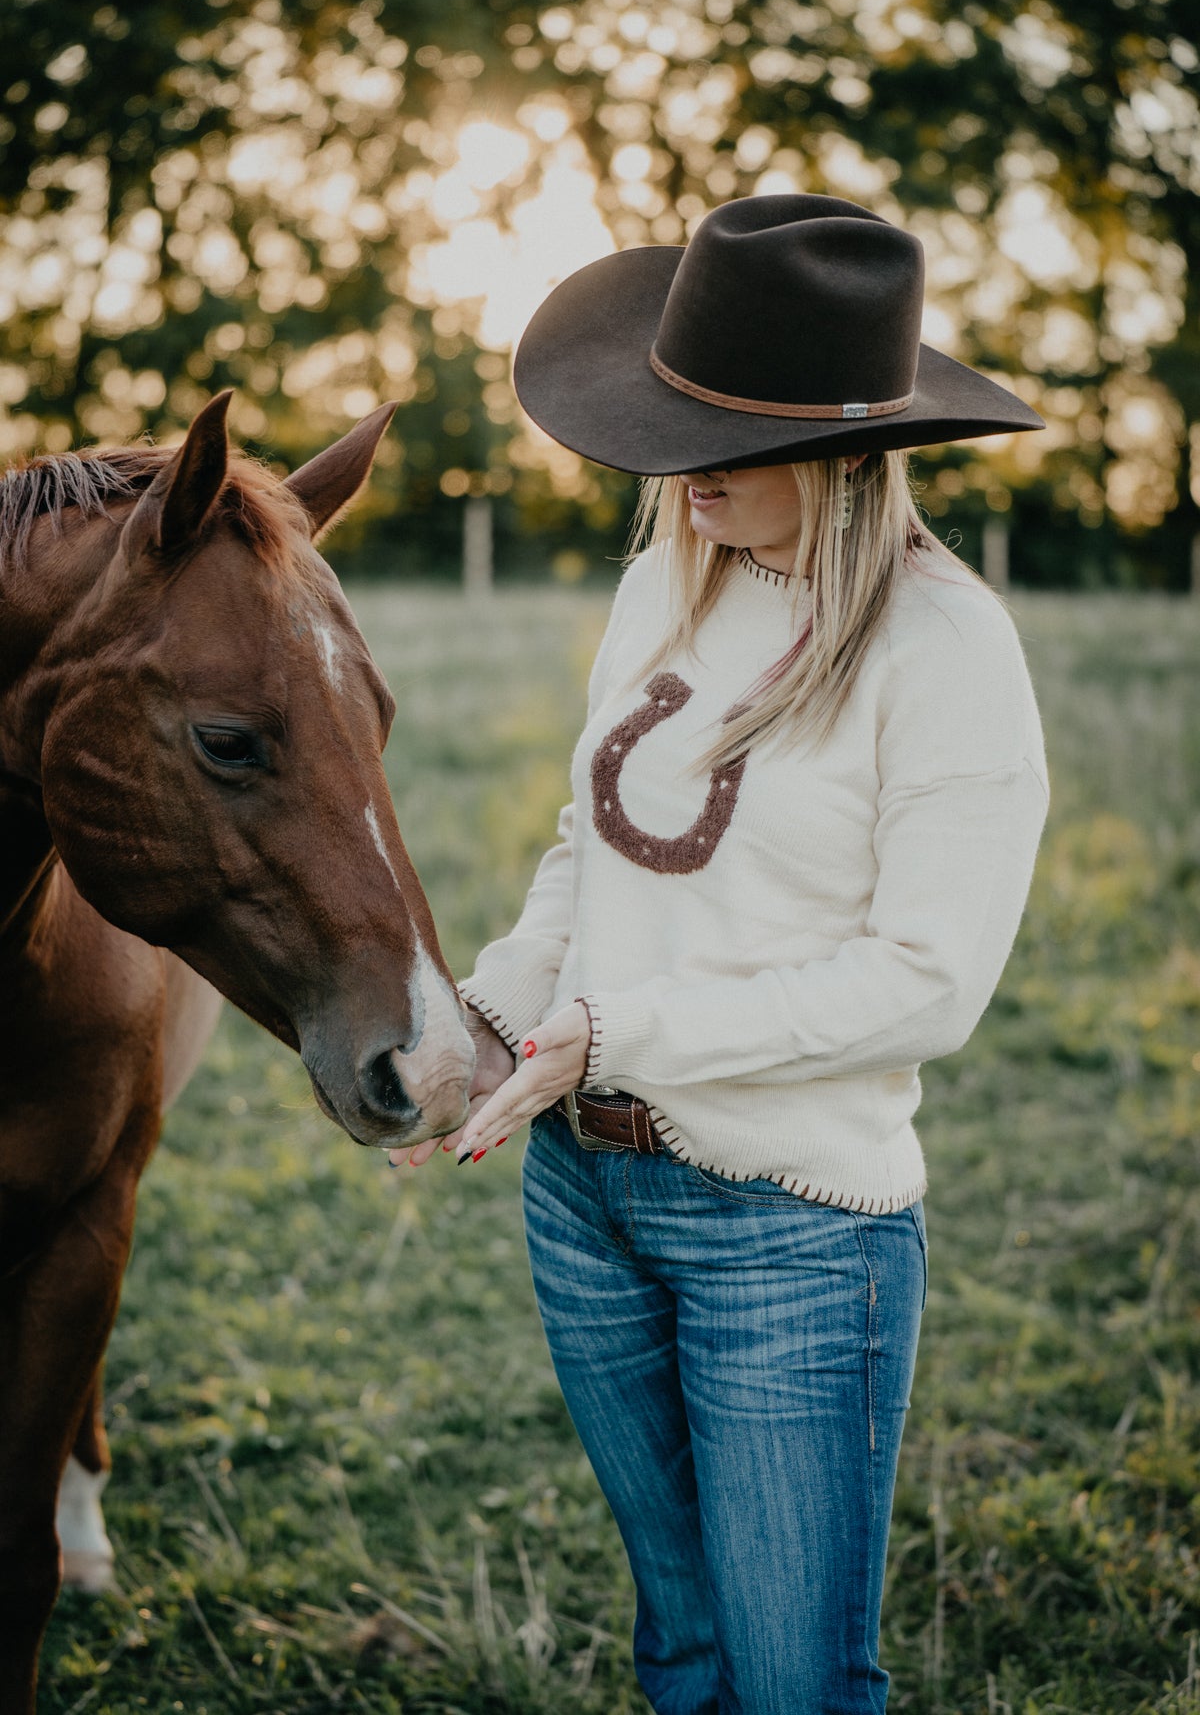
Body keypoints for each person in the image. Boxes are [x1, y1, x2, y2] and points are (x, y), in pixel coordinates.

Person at [395, 194, 1050, 1713]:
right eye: (671, 423)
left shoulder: (943, 652)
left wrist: (620, 1035)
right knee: (682, 1651)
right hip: (584, 1199)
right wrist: (489, 1021)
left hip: (794, 1236)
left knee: (792, 1679)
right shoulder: (661, 585)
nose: (678, 472)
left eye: (724, 440)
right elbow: (590, 851)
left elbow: (928, 983)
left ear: (849, 446)